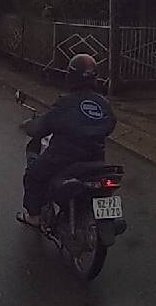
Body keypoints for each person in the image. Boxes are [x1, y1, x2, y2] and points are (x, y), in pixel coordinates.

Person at [17, 53, 116, 227]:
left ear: (71, 76)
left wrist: (30, 126)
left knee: (33, 176)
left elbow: (43, 126)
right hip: (95, 159)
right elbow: (110, 124)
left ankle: (34, 217)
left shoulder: (66, 103)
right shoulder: (104, 104)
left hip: (63, 158)